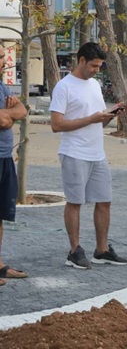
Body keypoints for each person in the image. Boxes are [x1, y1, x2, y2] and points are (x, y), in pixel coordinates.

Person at [49, 42, 127, 270]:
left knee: (104, 201)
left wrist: (111, 115)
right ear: (81, 60)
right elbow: (56, 125)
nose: (96, 70)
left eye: (99, 66)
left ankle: (101, 250)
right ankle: (74, 251)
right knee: (75, 202)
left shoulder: (94, 85)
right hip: (74, 153)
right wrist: (91, 119)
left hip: (97, 153)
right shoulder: (64, 87)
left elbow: (98, 120)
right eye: (93, 65)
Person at [0, 42, 29, 285]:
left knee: (0, 214)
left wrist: (11, 112)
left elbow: (22, 110)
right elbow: (3, 120)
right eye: (0, 57)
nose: (4, 62)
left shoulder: (1, 84)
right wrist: (9, 115)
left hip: (4, 157)